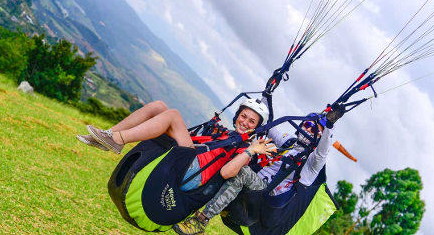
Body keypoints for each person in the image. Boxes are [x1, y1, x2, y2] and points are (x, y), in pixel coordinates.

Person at [172, 104, 345, 235]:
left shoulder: (312, 165)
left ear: (320, 137)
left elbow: (322, 153)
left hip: (267, 200)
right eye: (306, 125)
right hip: (254, 185)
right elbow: (269, 125)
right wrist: (268, 91)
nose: (306, 130)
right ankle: (187, 197)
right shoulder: (289, 142)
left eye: (313, 129)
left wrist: (330, 125)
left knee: (240, 171)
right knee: (233, 159)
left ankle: (200, 222)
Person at [77, 99, 275, 191]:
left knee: (173, 115)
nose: (245, 122)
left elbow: (226, 173)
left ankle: (116, 140)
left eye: (252, 121)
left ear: (257, 127)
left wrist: (250, 150)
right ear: (237, 116)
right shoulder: (228, 134)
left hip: (193, 172)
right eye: (243, 116)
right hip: (188, 158)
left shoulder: (244, 148)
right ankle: (108, 137)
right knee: (159, 107)